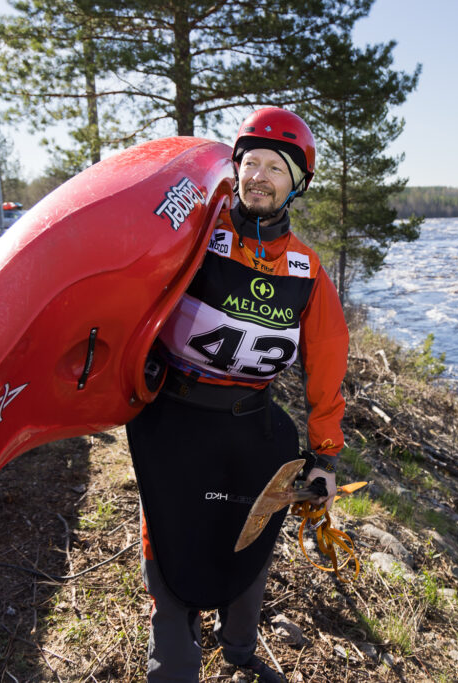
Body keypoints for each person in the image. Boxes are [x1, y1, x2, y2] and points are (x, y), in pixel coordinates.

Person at [125, 107, 349, 683]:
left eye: (276, 167)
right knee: (171, 546)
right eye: (251, 163)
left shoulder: (307, 268)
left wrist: (324, 455)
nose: (260, 176)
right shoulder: (198, 236)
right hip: (175, 419)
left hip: (250, 425)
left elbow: (326, 358)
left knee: (250, 539)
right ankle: (173, 668)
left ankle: (242, 652)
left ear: (295, 184)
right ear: (236, 169)